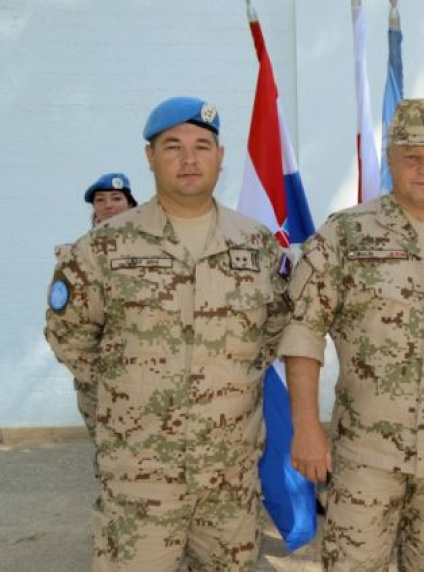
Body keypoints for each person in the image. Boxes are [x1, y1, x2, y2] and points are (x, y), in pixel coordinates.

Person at [44, 96, 289, 571]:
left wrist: (227, 383)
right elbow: (69, 334)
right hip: (140, 476)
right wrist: (128, 393)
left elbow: (274, 328)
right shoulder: (102, 247)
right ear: (150, 157)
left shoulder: (257, 244)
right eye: (173, 146)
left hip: (229, 476)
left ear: (221, 156)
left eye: (202, 146)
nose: (189, 158)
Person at [279, 98, 424, 571]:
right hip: (365, 456)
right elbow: (303, 333)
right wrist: (305, 428)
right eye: (412, 157)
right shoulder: (346, 234)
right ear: (390, 159)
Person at [58, 172, 139, 443]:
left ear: (131, 204)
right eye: (100, 200)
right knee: (109, 452)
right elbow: (65, 325)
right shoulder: (79, 256)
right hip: (101, 378)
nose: (109, 205)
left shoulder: (156, 251)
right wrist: (96, 377)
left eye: (116, 198)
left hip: (150, 376)